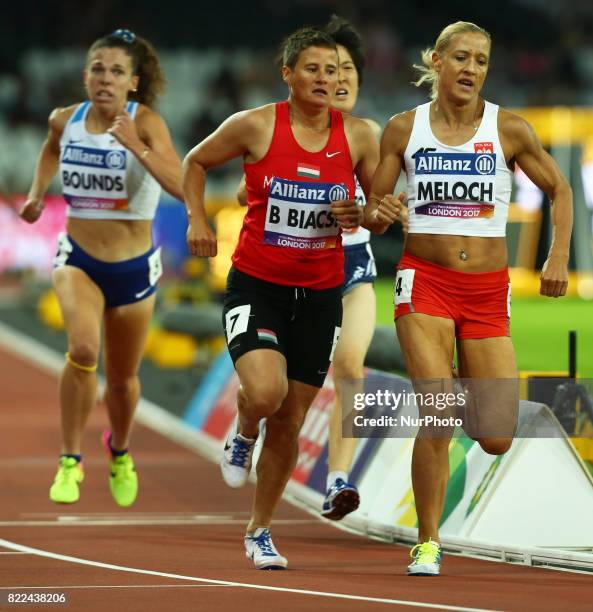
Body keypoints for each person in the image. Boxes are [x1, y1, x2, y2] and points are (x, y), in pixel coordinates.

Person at [368, 21, 572, 576]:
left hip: (486, 291)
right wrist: (379, 211)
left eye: (481, 61)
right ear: (435, 60)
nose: (471, 69)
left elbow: (559, 187)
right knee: (436, 413)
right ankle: (428, 542)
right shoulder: (402, 129)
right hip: (425, 282)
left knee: (497, 436)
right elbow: (372, 208)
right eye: (460, 57)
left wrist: (556, 258)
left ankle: (454, 382)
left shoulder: (508, 128)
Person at [183, 26, 390, 570]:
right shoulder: (255, 124)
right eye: (313, 69)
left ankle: (260, 530)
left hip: (321, 294)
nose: (326, 79)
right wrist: (197, 219)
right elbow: (195, 163)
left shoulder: (361, 136)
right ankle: (242, 431)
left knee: (291, 420)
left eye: (334, 70)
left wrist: (368, 215)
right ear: (289, 74)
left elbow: (374, 214)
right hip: (258, 285)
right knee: (266, 393)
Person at [20, 29, 183, 507]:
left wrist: (137, 145)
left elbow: (179, 182)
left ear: (134, 82)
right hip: (79, 259)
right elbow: (51, 149)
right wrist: (36, 192)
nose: (104, 79)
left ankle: (120, 450)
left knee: (123, 379)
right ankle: (70, 460)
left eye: (116, 71)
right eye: (97, 68)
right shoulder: (64, 119)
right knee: (84, 349)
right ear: (85, 75)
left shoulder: (147, 122)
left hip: (134, 268)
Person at [319, 16, 381, 521]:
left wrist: (378, 212)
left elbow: (383, 207)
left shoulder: (367, 136)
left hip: (354, 268)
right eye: (331, 70)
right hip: (294, 274)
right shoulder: (288, 131)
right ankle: (247, 423)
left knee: (350, 368)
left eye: (348, 76)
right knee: (276, 390)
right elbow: (242, 191)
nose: (338, 82)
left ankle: (338, 478)